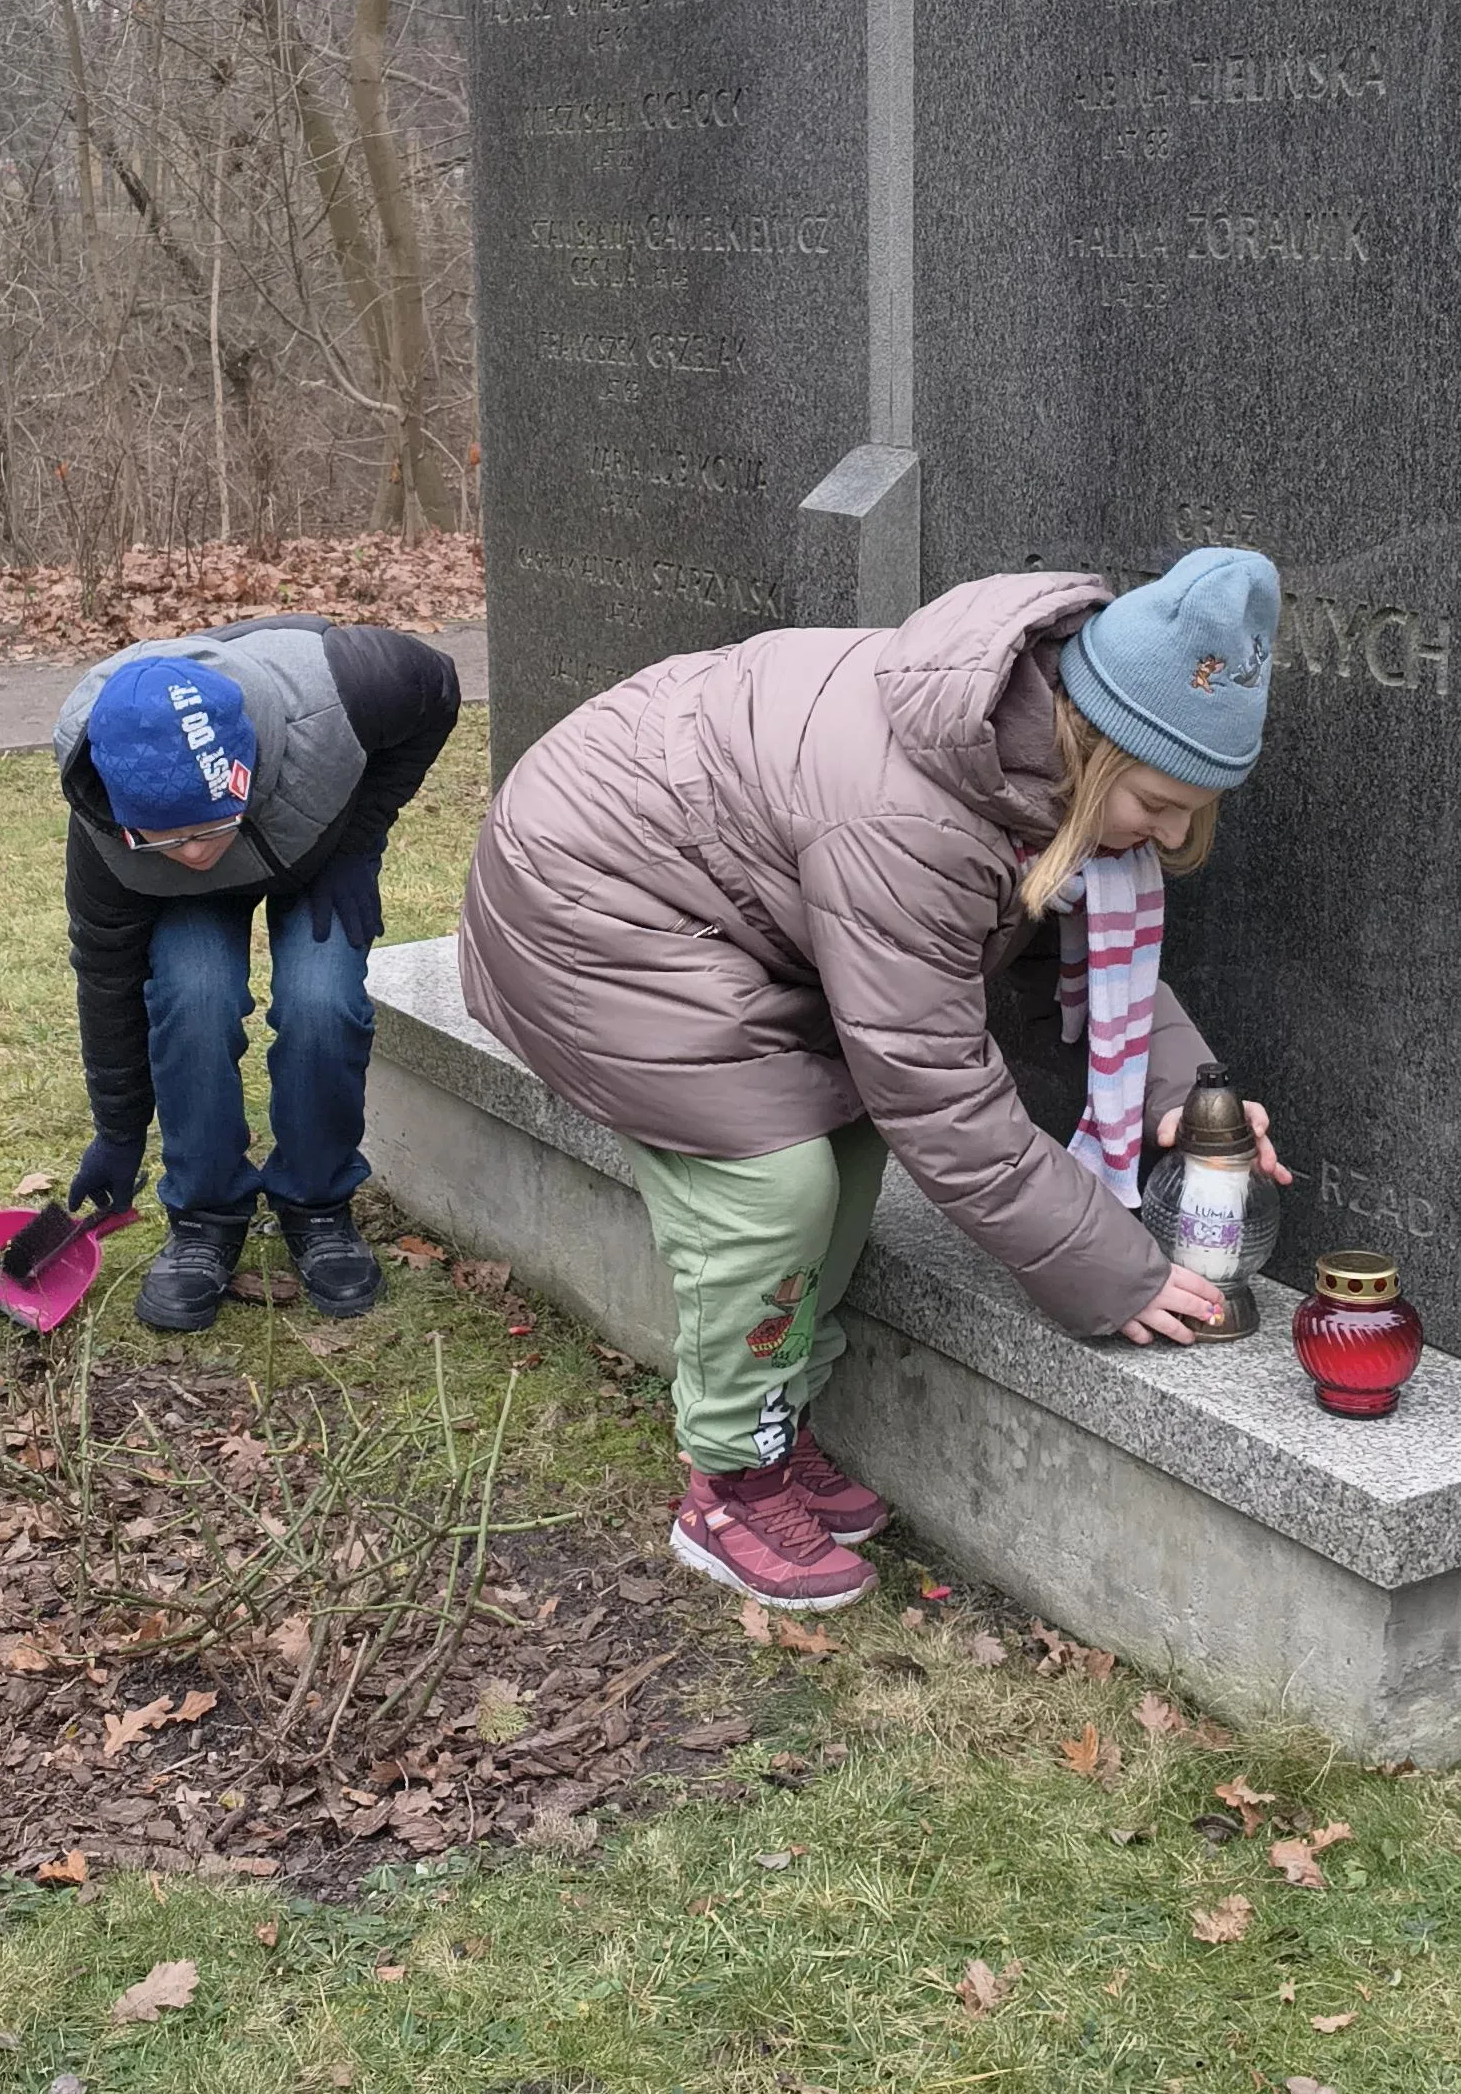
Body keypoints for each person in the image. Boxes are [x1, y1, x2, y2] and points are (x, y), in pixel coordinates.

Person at [459, 550, 1290, 1612]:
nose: (1170, 839)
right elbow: (935, 1091)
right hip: (592, 911)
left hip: (718, 916)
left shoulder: (1027, 760)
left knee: (852, 1152)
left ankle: (778, 1419)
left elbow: (1075, 953)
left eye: (1193, 814)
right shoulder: (916, 821)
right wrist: (1114, 1273)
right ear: (1091, 747)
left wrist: (1182, 1095)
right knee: (772, 1192)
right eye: (1159, 805)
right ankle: (729, 1483)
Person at [57, 618, 459, 1324]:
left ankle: (317, 1202)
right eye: (166, 836)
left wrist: (358, 842)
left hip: (312, 838)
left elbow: (439, 691)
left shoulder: (348, 691)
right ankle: (205, 1217)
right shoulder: (109, 841)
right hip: (185, 896)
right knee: (194, 996)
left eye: (205, 829)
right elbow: (107, 980)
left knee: (321, 999)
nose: (192, 853)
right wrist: (119, 1132)